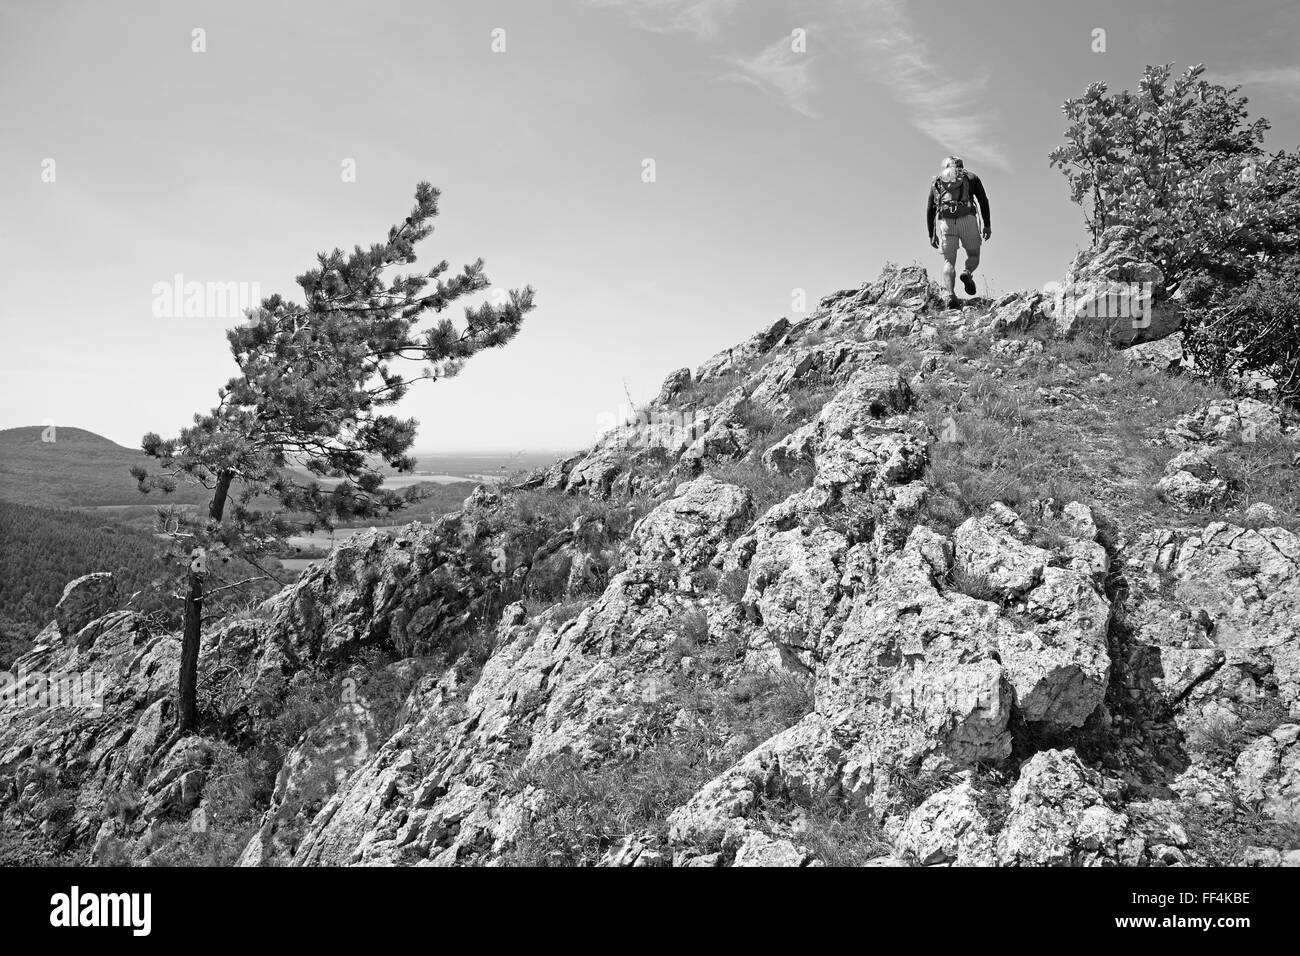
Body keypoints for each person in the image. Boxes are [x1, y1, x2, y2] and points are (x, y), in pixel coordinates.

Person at [926, 156, 991, 309]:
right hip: (967, 219)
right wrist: (987, 225)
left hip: (946, 223)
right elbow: (983, 200)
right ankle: (967, 272)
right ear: (961, 166)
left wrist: (931, 234)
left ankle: (950, 295)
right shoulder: (971, 177)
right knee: (973, 255)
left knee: (948, 262)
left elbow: (930, 209)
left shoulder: (937, 181)